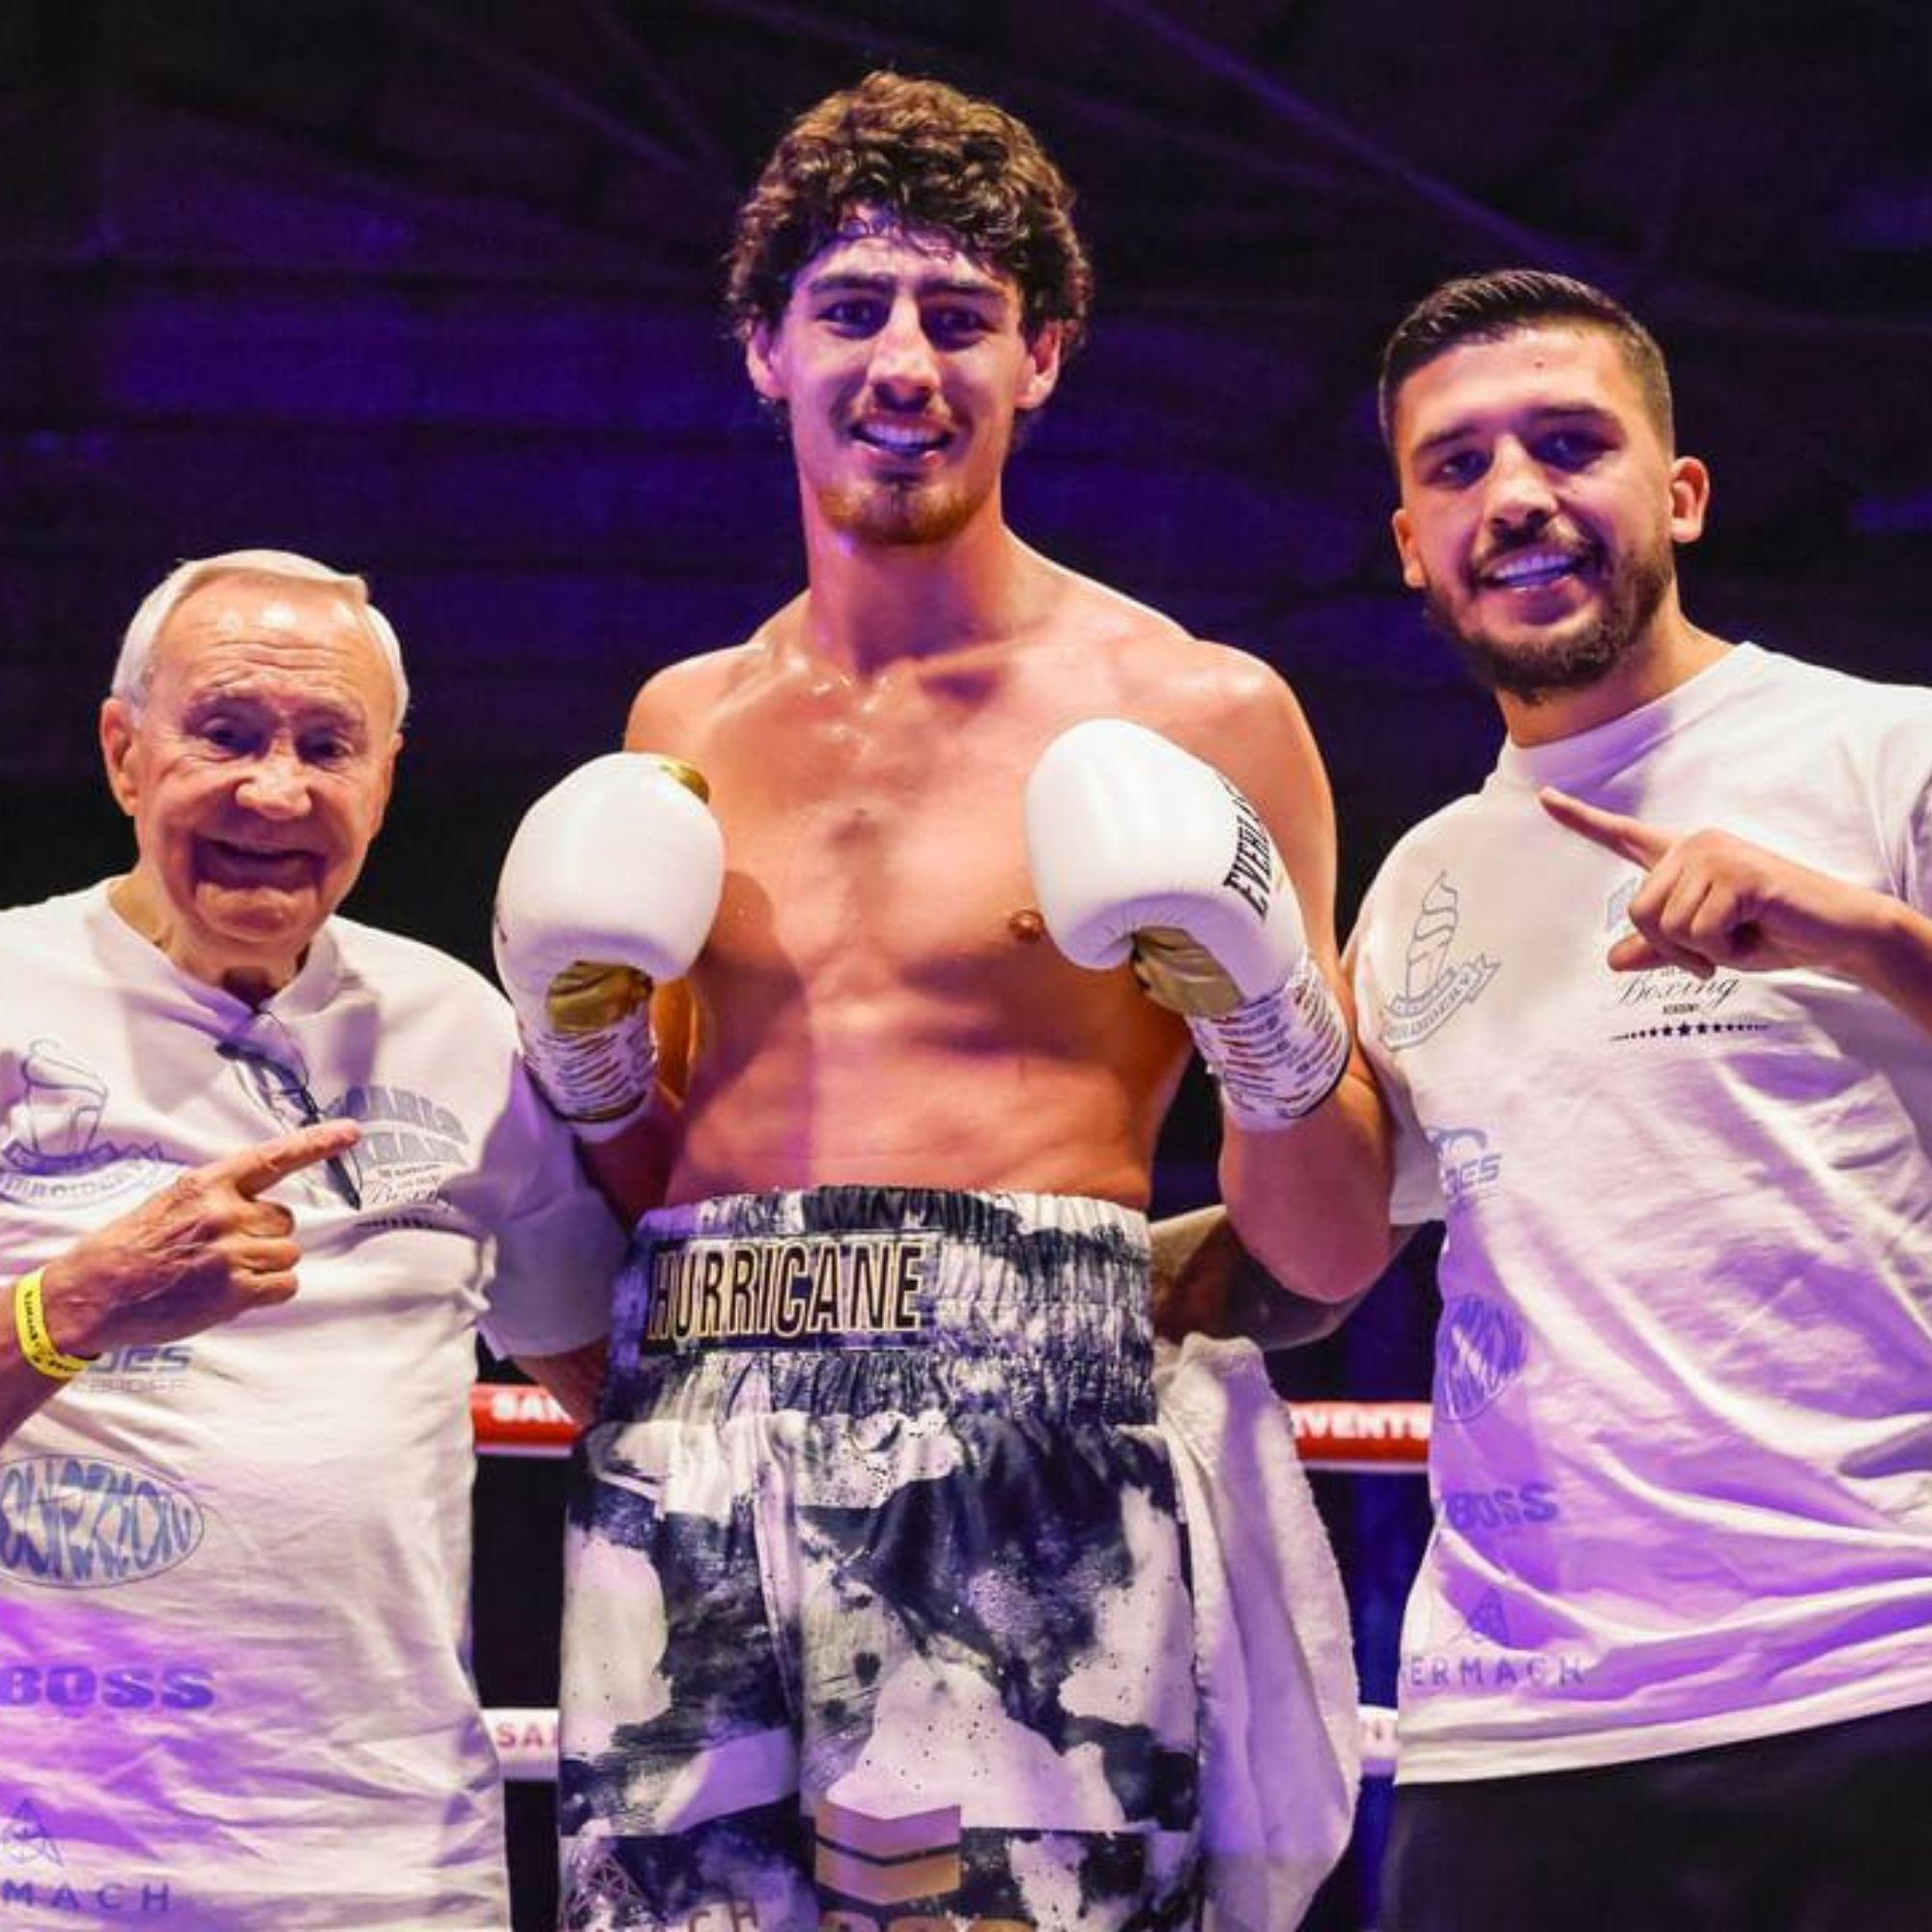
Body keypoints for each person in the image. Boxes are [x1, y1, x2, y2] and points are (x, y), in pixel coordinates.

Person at [490, 70, 1383, 1932]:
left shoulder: (1199, 712)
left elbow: (1334, 1248)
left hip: (1030, 1422)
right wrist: (585, 1070)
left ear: (1042, 358)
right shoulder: (682, 726)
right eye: (852, 309)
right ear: (764, 350)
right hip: (697, 1414)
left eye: (961, 317)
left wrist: (1264, 1016)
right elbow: (665, 1161)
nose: (905, 361)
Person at [1341, 269, 1932, 1929]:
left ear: (1678, 493)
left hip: (1878, 1670)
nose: (1515, 494)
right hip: (1516, 1732)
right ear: (1409, 542)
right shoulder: (1421, 882)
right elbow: (1328, 1246)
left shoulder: (1886, 754)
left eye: (1567, 444)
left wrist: (1856, 932)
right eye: (1456, 468)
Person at [0, 550, 624, 1930]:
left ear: (384, 780)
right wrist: (72, 1307)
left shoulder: (459, 1025)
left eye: (324, 746)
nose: (274, 790)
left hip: (392, 1869)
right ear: (123, 752)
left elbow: (625, 1394)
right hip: (47, 1865)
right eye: (224, 733)